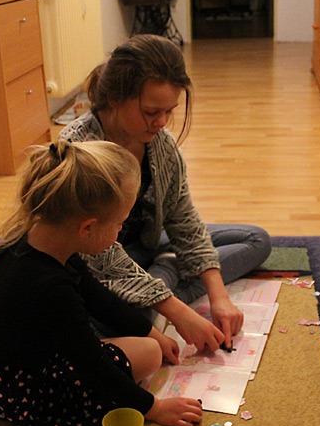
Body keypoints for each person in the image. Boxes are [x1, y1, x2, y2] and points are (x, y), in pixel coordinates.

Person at [0, 141, 202, 426]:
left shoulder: (34, 242)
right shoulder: (52, 289)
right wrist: (154, 408)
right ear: (87, 228)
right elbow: (91, 364)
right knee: (149, 355)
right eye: (119, 224)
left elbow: (98, 298)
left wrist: (153, 333)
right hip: (24, 396)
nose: (119, 234)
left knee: (151, 345)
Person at [59, 34, 272, 351]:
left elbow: (184, 220)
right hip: (97, 264)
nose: (161, 122)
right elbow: (99, 259)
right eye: (151, 111)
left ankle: (160, 279)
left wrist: (219, 297)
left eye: (169, 111)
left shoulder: (161, 144)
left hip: (149, 242)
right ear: (115, 98)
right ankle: (163, 279)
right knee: (117, 313)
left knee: (256, 240)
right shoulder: (77, 150)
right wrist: (180, 312)